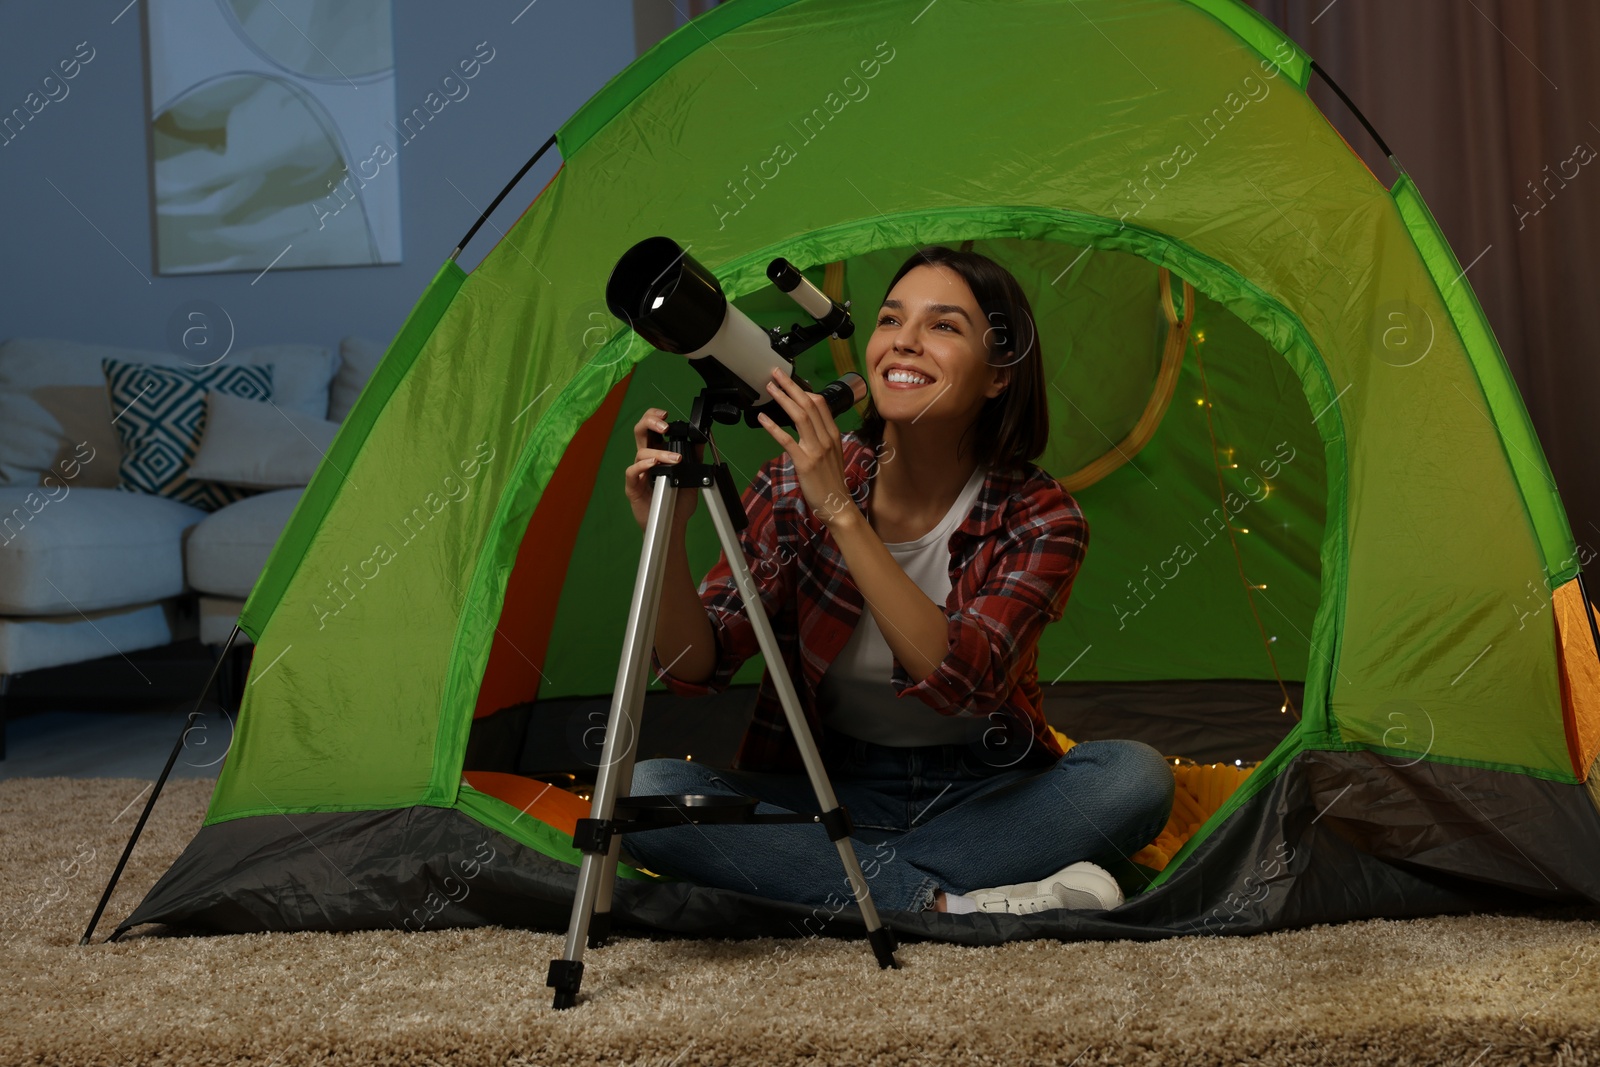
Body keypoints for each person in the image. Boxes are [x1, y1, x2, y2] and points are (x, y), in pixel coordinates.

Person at [620, 244, 1174, 917]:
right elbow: (693, 667)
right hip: (830, 787)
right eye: (890, 320)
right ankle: (948, 901)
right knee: (645, 790)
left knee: (1133, 779)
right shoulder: (790, 483)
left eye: (943, 326)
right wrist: (665, 534)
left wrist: (841, 513)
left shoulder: (1041, 515)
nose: (904, 343)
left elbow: (958, 681)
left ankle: (844, 883)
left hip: (983, 792)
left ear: (998, 375)